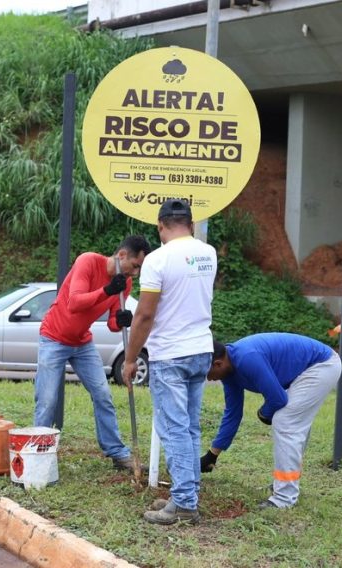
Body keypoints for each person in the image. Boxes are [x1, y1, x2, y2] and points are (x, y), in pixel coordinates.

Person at [122, 199, 217, 526]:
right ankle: (185, 494)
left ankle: (186, 503)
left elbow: (145, 314)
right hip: (201, 350)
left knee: (174, 428)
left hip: (171, 354)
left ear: (160, 226)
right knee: (189, 426)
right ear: (190, 225)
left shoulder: (158, 260)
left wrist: (131, 358)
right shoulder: (209, 253)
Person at [34, 235, 151, 472]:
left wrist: (121, 319)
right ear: (121, 256)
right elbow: (75, 303)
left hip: (82, 343)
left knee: (103, 394)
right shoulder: (88, 262)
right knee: (47, 401)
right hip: (53, 338)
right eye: (135, 266)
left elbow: (112, 324)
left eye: (140, 268)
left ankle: (117, 453)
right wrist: (107, 290)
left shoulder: (124, 283)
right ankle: (39, 453)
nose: (135, 273)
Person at [201, 333, 341, 509]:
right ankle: (283, 486)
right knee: (291, 422)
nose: (208, 379)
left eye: (207, 373)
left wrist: (264, 413)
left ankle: (284, 497)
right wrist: (212, 455)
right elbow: (233, 414)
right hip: (309, 368)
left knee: (285, 421)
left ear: (218, 363)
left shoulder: (246, 358)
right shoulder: (229, 372)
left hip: (321, 365)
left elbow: (277, 399)